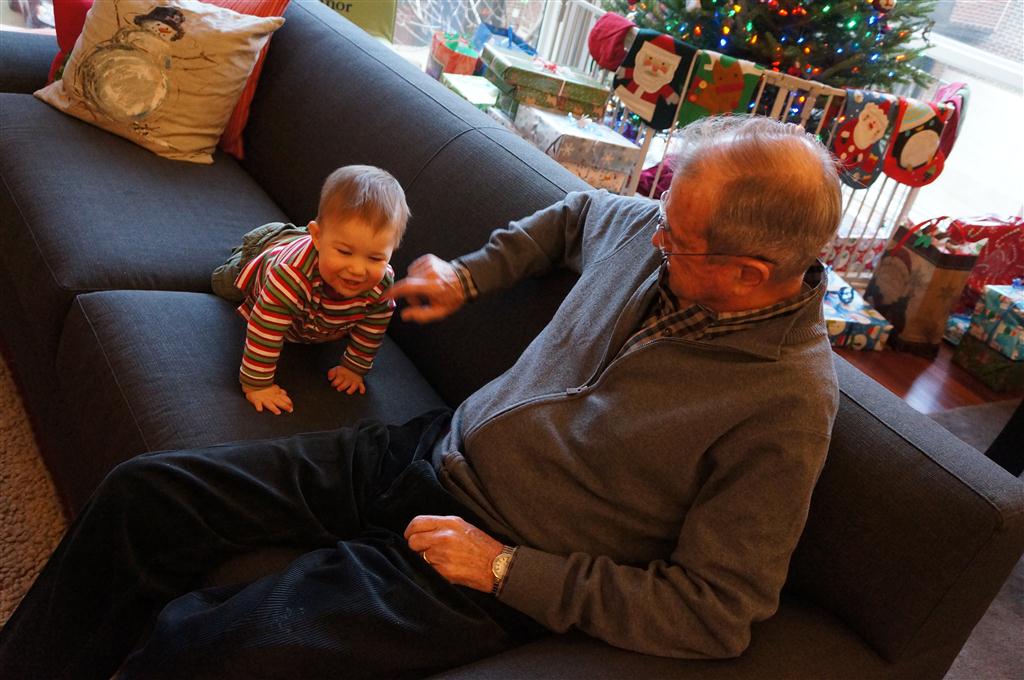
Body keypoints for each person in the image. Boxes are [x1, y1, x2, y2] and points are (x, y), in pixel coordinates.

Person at [0, 115, 843, 679]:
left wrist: (507, 569)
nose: (652, 234)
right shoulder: (649, 234)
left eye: (677, 237)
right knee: (145, 495)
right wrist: (471, 276)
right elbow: (583, 213)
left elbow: (716, 611)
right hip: (427, 449)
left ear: (749, 274)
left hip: (488, 562)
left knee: (208, 651)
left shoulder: (784, 403)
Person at [211, 165, 409, 414]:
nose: (358, 270)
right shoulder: (289, 277)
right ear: (317, 236)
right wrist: (256, 385)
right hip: (267, 256)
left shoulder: (381, 284)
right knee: (223, 286)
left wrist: (353, 368)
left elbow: (373, 326)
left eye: (375, 258)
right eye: (344, 252)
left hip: (306, 298)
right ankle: (255, 245)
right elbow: (265, 330)